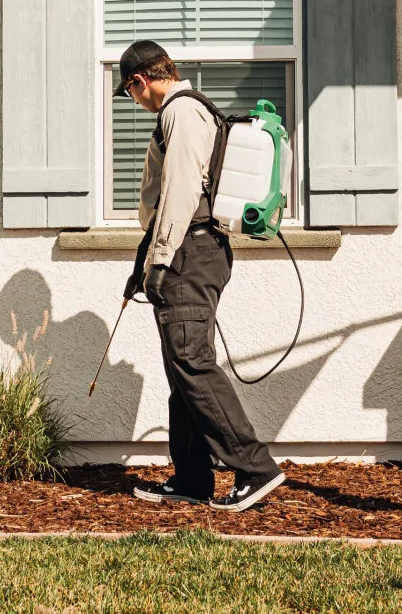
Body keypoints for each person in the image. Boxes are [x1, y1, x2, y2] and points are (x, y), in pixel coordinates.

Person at [116, 39, 286, 512]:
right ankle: (192, 477)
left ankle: (255, 468)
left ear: (140, 81)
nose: (134, 101)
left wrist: (163, 258)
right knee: (182, 369)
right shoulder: (192, 110)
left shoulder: (180, 111)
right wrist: (145, 263)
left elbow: (181, 189)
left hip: (189, 252)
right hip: (190, 250)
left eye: (130, 93)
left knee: (192, 361)